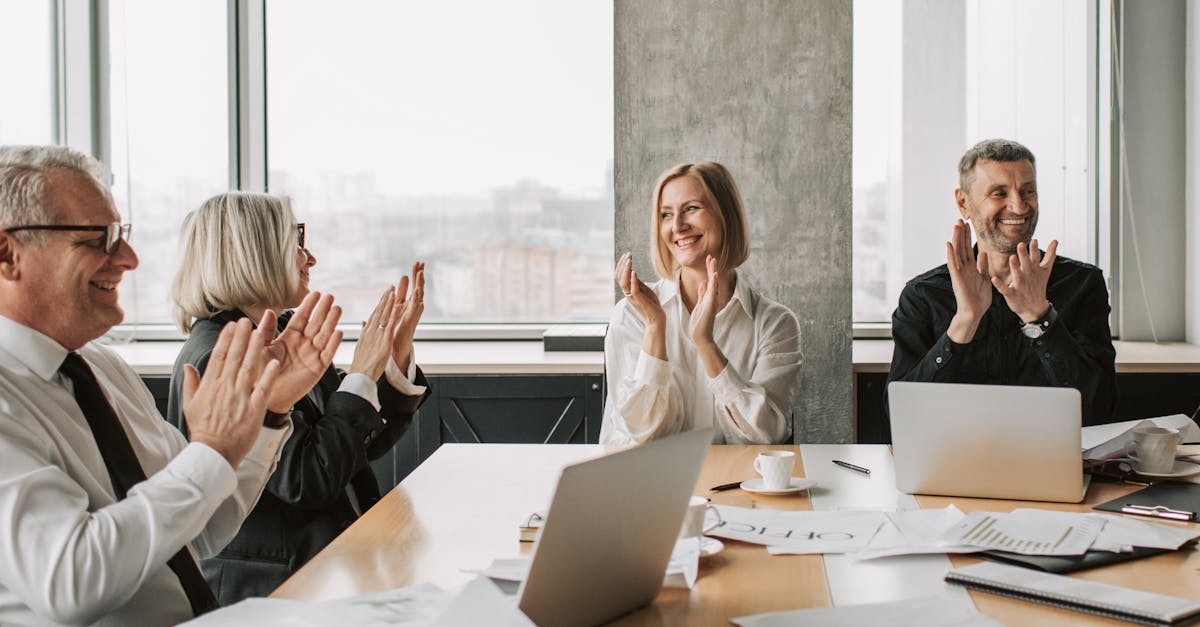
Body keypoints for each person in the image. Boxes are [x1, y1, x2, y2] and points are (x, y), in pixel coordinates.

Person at [0, 145, 333, 625]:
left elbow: (200, 531)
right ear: (8, 255)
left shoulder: (104, 369)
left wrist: (270, 413)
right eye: (101, 239)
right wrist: (210, 452)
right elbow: (72, 581)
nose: (129, 259)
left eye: (124, 235)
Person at [166, 192, 431, 604]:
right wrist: (362, 373)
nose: (310, 259)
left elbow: (352, 445)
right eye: (296, 242)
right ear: (255, 254)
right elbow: (308, 479)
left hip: (330, 570)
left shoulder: (283, 331)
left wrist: (388, 360)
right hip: (274, 593)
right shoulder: (220, 354)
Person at [887, 138, 1117, 428]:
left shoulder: (1083, 284)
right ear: (963, 203)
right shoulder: (923, 294)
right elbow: (900, 418)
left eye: (1028, 191)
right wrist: (965, 321)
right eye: (999, 193)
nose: (1019, 207)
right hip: (954, 466)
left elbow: (1100, 407)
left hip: (1051, 466)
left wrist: (1040, 318)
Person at [600, 161, 802, 445]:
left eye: (691, 208)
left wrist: (706, 345)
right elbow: (640, 437)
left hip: (736, 486)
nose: (678, 226)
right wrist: (655, 330)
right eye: (666, 214)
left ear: (727, 215)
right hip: (650, 486)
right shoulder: (631, 315)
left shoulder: (775, 323)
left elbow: (766, 437)